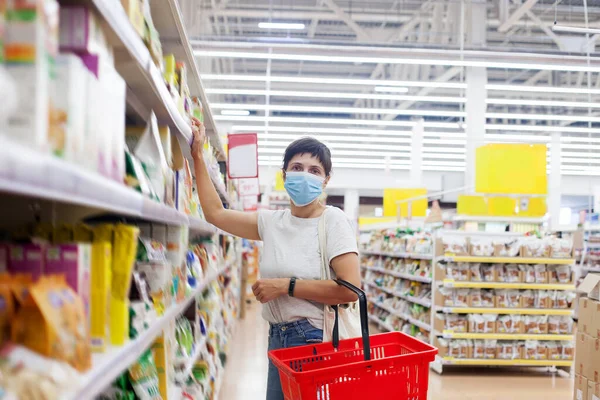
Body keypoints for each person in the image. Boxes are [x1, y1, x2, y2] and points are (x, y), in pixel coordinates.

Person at [190, 117, 360, 400]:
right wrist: (197, 155)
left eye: (314, 170)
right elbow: (215, 214)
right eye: (297, 167)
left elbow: (351, 290)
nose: (304, 175)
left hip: (313, 338)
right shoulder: (272, 222)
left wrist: (286, 286)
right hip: (278, 337)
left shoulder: (334, 221)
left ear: (326, 180)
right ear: (284, 175)